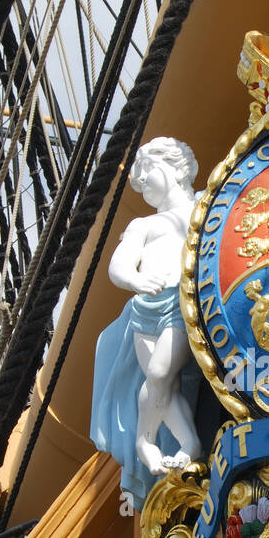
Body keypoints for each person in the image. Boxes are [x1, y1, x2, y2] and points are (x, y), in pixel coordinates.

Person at [90, 137, 202, 509]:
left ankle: (146, 440)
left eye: (147, 171)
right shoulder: (144, 224)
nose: (140, 181)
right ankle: (181, 443)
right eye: (137, 177)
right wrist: (135, 281)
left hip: (181, 304)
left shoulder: (206, 207)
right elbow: (119, 266)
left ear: (177, 167)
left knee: (158, 372)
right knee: (159, 382)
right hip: (145, 309)